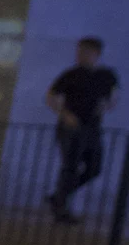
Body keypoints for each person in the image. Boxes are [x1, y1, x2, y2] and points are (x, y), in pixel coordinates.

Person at [46, 36, 119, 224]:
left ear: (96, 54)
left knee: (94, 167)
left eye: (85, 52)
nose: (80, 56)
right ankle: (61, 209)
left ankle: (59, 197)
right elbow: (51, 96)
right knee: (70, 167)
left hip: (92, 127)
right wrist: (65, 115)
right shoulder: (71, 74)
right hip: (71, 128)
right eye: (79, 52)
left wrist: (107, 104)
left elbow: (114, 96)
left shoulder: (106, 76)